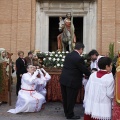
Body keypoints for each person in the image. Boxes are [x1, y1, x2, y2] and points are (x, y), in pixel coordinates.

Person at [60, 43, 91, 119]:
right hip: (72, 81)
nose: (82, 52)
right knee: (71, 98)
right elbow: (83, 69)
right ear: (81, 49)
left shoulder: (68, 55)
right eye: (82, 50)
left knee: (65, 97)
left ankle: (66, 112)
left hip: (64, 79)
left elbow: (72, 67)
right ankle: (70, 115)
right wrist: (91, 74)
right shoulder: (78, 58)